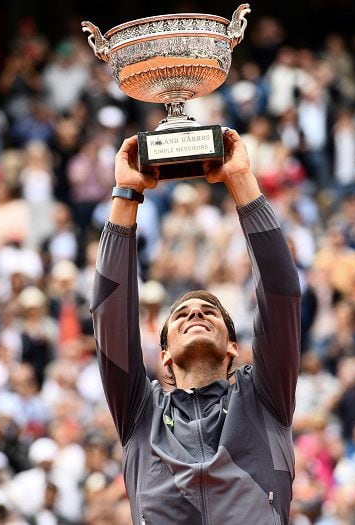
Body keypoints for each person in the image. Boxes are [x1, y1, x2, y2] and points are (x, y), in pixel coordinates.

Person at [91, 130, 301, 524]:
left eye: (209, 311)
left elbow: (281, 293)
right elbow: (109, 314)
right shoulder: (140, 411)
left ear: (233, 347)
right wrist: (125, 195)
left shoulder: (265, 398)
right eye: (182, 315)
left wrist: (241, 181)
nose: (195, 314)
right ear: (165, 353)